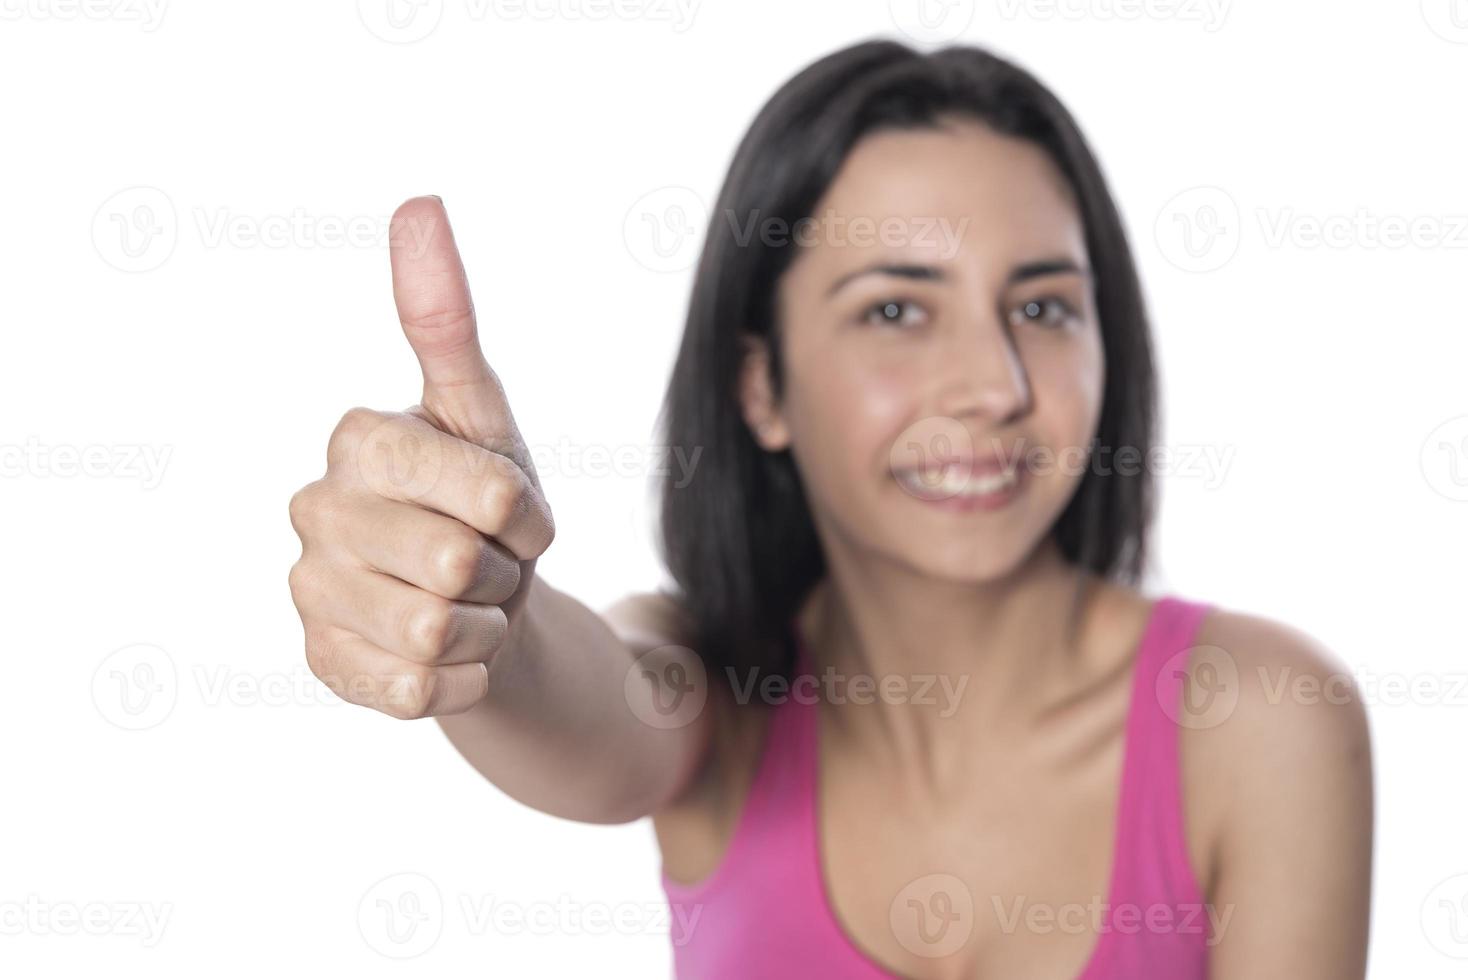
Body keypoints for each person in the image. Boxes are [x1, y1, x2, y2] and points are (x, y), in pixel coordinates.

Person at [287, 39, 1373, 979]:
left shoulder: (1259, 720)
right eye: (896, 308)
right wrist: (489, 604)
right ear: (761, 385)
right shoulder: (718, 688)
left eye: (1041, 305)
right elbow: (595, 700)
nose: (993, 383)